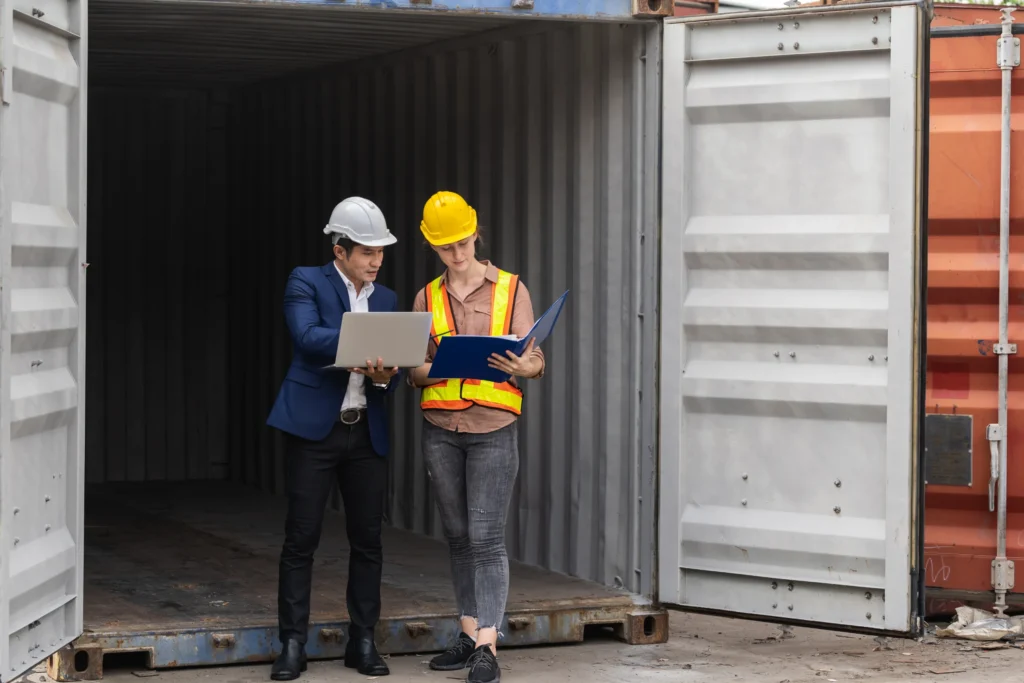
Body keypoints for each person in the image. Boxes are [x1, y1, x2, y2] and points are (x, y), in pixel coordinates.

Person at [407, 191, 546, 683]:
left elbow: (535, 360)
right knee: (459, 538)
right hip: (442, 430)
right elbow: (414, 370)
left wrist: (522, 365)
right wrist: (429, 368)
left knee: (486, 539)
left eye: (463, 243)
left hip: (493, 429)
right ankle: (467, 634)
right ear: (433, 246)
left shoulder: (511, 289)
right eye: (446, 248)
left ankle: (488, 645)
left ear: (476, 233)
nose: (457, 254)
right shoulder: (427, 297)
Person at [266, 196, 401, 680]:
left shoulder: (386, 299)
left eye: (381, 252)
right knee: (301, 539)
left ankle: (362, 641)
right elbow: (307, 336)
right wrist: (366, 342)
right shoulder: (306, 279)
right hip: (314, 432)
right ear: (340, 250)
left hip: (366, 430)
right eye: (367, 251)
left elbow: (393, 370)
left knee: (368, 540)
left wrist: (386, 374)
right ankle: (293, 644)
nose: (376, 261)